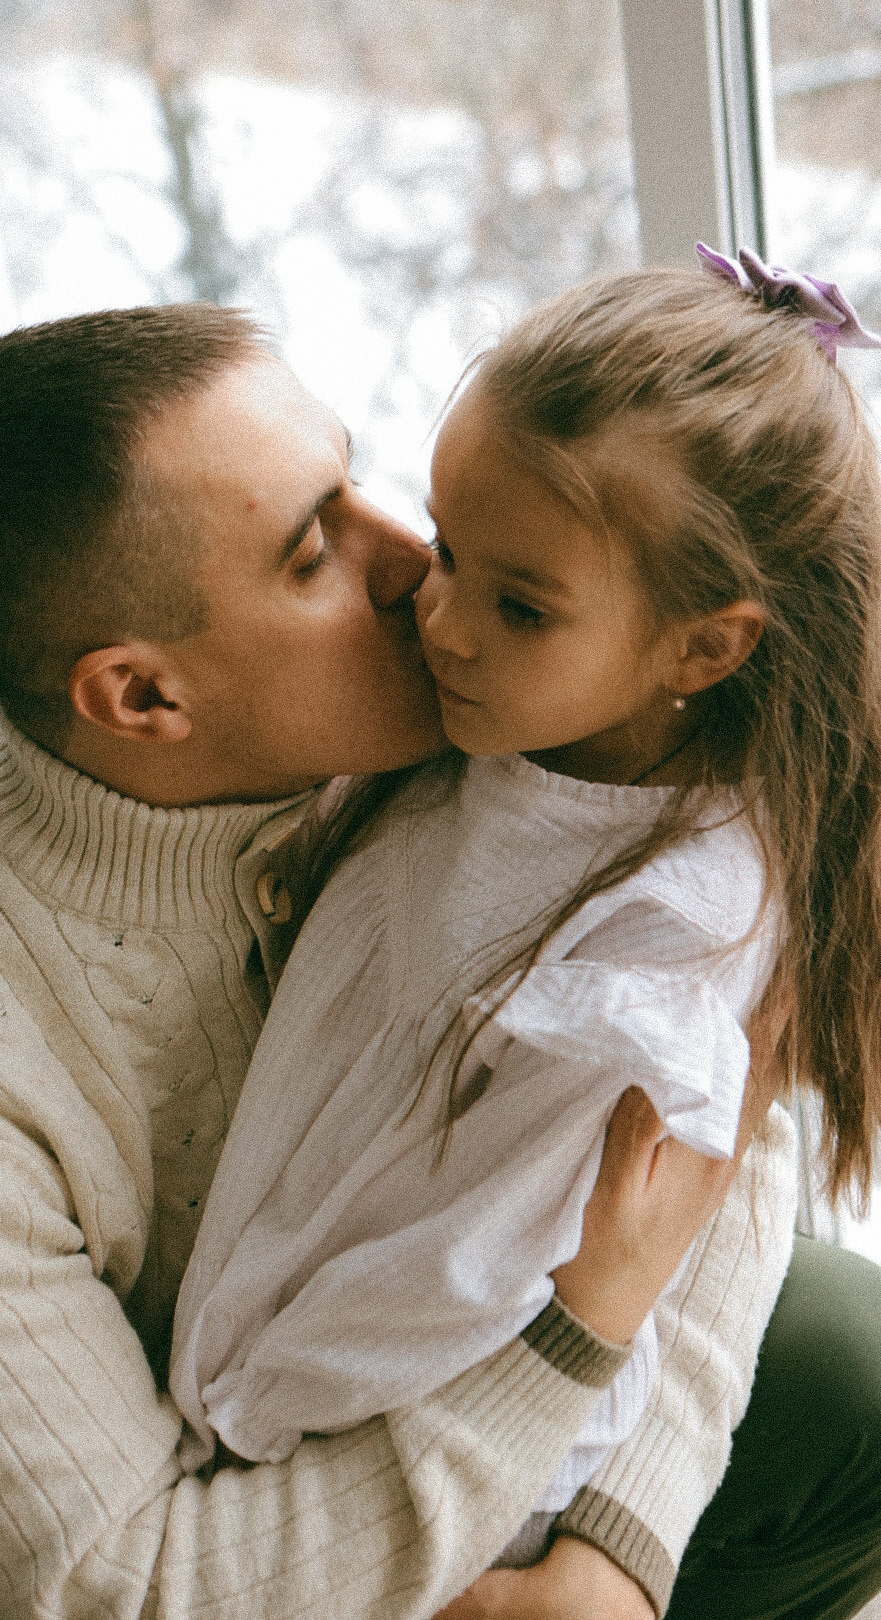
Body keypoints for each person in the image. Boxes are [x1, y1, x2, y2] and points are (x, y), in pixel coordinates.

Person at [0, 297, 868, 1620]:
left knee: (859, 1373)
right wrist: (566, 1346)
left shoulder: (410, 695)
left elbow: (705, 1073)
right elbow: (131, 1590)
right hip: (145, 1560)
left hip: (420, 1372)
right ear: (143, 698)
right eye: (315, 552)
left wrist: (616, 1542)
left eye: (361, 482)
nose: (418, 564)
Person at [168, 252, 881, 1615]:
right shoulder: (527, 732)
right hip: (317, 1367)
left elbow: (468, 1271)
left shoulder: (663, 943)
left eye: (519, 606)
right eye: (447, 547)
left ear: (703, 651)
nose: (435, 617)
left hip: (443, 1455)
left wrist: (230, 1411)